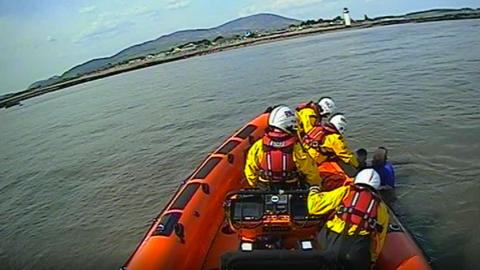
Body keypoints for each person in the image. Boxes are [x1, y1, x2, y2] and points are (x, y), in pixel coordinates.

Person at [307, 168, 389, 270]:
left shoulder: (346, 191)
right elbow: (379, 239)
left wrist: (313, 190)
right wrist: (372, 260)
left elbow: (314, 207)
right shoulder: (381, 208)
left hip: (332, 242)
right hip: (357, 250)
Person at [244, 105, 322, 189]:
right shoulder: (296, 148)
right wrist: (315, 186)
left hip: (265, 188)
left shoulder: (259, 145)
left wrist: (254, 186)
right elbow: (310, 170)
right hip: (291, 188)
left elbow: (250, 170)